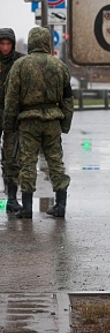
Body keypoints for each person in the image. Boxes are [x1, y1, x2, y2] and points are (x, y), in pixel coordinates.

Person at [3, 27, 74, 219]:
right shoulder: (59, 66)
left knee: (27, 162)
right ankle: (60, 204)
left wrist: (9, 125)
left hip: (28, 121)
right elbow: (68, 99)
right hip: (52, 121)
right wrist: (65, 124)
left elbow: (11, 99)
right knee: (55, 162)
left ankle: (27, 207)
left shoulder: (20, 65)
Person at [0, 28, 25, 214]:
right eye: (2, 44)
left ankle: (11, 197)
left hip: (11, 115)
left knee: (11, 157)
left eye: (8, 44)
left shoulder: (21, 62)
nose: (5, 47)